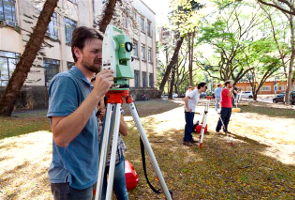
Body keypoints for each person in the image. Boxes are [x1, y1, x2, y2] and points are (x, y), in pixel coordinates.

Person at [47, 26, 114, 200]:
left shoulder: (88, 84)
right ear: (77, 51)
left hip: (84, 177)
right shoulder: (66, 81)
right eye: (94, 51)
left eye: (103, 51)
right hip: (70, 181)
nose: (101, 56)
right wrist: (97, 94)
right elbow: (61, 137)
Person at [92, 80, 129, 200]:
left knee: (121, 193)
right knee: (101, 195)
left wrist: (111, 115)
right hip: (95, 161)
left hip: (115, 158)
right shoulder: (87, 109)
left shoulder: (114, 106)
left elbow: (125, 131)